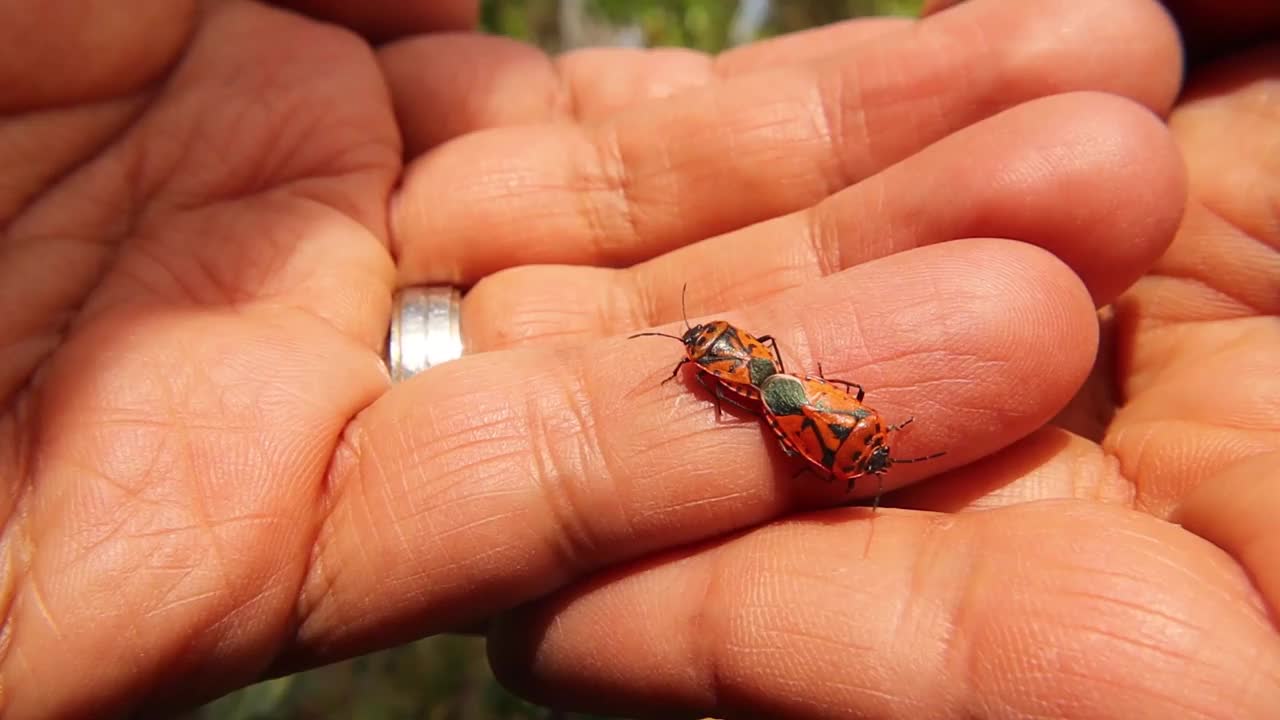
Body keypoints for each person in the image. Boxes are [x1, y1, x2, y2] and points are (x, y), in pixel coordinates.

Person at [0, 0, 1275, 717]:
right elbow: (759, 390)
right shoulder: (756, 383)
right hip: (788, 398)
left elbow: (768, 393)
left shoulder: (767, 389)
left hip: (791, 398)